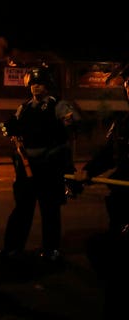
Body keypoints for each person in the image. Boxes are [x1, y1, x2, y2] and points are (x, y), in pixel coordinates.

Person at [0, 66, 80, 267]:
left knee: (50, 210)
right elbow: (13, 129)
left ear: (48, 86)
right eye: (33, 84)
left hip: (49, 166)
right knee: (22, 209)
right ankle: (13, 247)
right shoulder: (24, 107)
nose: (36, 87)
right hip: (27, 166)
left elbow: (72, 128)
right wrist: (10, 130)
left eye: (40, 83)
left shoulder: (58, 106)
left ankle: (51, 249)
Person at [73, 63, 129, 319]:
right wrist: (88, 171)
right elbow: (110, 153)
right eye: (128, 83)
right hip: (123, 204)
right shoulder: (125, 122)